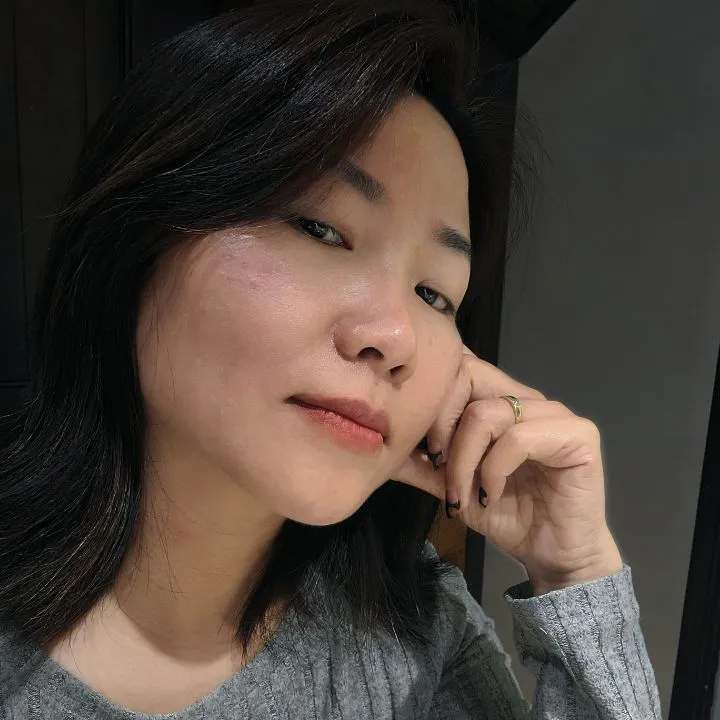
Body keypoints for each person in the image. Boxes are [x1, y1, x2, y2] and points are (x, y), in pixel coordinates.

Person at [0, 0, 661, 717]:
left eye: (435, 294)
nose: (397, 337)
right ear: (136, 236)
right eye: (321, 229)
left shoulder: (415, 631)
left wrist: (574, 571)